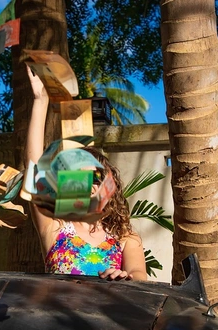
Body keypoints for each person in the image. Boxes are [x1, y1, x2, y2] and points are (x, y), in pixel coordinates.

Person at [25, 65, 147, 281]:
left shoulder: (125, 237)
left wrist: (125, 278)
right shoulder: (55, 227)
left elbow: (139, 275)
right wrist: (40, 100)